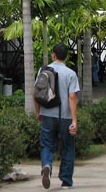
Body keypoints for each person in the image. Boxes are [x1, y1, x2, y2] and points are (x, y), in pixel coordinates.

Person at [34, 43, 80, 190]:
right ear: (66, 56)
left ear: (53, 55)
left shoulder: (43, 70)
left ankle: (47, 165)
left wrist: (38, 112)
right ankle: (66, 181)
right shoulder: (70, 74)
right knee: (68, 147)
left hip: (47, 114)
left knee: (47, 145)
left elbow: (35, 94)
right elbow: (72, 97)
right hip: (65, 117)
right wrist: (74, 120)